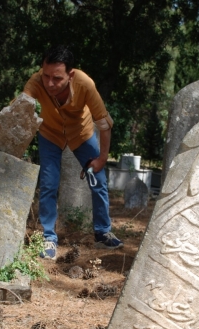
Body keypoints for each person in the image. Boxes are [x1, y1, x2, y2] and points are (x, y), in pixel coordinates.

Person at [21, 45, 123, 260]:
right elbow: (19, 109)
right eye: (46, 75)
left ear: (71, 74)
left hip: (82, 133)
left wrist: (102, 158)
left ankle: (102, 232)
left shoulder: (85, 84)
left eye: (57, 78)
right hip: (50, 134)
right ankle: (49, 237)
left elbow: (104, 124)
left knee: (98, 181)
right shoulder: (36, 81)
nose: (49, 83)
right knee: (49, 183)